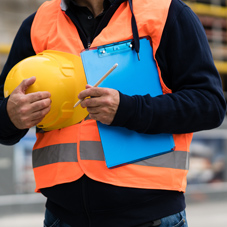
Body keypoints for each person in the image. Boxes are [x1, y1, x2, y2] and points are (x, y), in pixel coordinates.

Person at [0, 0, 226, 226]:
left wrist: (129, 110)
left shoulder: (167, 12)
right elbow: (3, 122)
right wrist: (10, 116)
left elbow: (210, 104)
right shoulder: (38, 23)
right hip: (62, 216)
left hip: (150, 217)